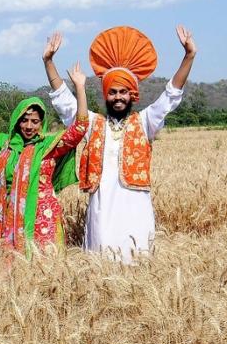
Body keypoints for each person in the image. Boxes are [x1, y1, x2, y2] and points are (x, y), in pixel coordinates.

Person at [43, 26, 196, 262]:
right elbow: (66, 103)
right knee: (100, 259)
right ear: (106, 95)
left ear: (132, 95)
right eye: (113, 92)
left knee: (138, 259)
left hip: (136, 206)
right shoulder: (93, 123)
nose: (118, 97)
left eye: (123, 92)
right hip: (102, 207)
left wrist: (188, 56)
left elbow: (170, 95)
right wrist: (49, 61)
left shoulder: (145, 122)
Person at [0, 66, 89, 254]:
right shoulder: (1, 145)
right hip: (9, 216)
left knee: (45, 271)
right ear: (16, 120)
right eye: (24, 120)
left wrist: (80, 88)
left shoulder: (47, 147)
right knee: (12, 270)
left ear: (42, 123)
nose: (29, 126)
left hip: (42, 217)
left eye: (35, 121)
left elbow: (80, 128)